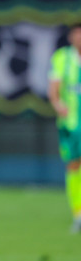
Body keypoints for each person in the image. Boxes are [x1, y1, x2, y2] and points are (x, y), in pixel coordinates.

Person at [48, 23, 81, 233]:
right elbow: (54, 88)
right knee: (74, 165)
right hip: (71, 124)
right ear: (70, 37)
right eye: (76, 34)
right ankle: (78, 213)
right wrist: (58, 104)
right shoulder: (62, 58)